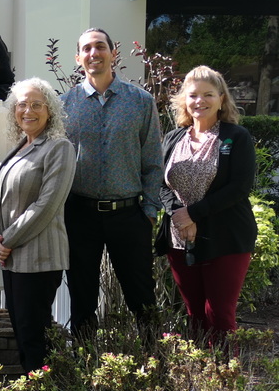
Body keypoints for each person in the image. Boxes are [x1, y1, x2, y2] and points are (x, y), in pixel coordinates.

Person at [62, 28, 162, 337]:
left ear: (112, 53)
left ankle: (154, 364)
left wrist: (149, 210)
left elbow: (153, 160)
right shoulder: (65, 104)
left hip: (129, 214)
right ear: (79, 58)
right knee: (82, 299)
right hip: (80, 213)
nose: (95, 53)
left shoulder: (140, 102)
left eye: (100, 47)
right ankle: (83, 364)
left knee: (141, 296)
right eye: (87, 48)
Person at [158, 66, 256, 341]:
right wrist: (178, 214)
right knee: (195, 316)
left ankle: (224, 380)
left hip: (226, 238)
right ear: (184, 101)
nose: (200, 101)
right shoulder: (173, 138)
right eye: (193, 95)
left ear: (222, 99)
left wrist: (193, 214)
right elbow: (160, 184)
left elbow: (239, 188)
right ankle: (198, 379)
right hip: (180, 241)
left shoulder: (236, 137)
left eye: (208, 94)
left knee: (220, 316)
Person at [0, 78, 75, 373]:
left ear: (49, 111)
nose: (28, 110)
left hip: (39, 258)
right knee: (23, 333)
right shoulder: (18, 148)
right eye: (22, 104)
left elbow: (46, 206)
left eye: (37, 104)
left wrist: (7, 240)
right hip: (11, 258)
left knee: (34, 336)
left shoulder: (58, 148)